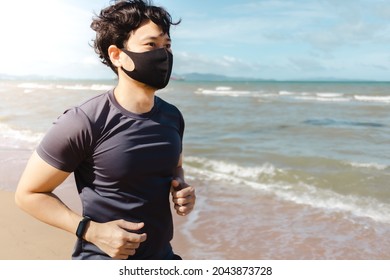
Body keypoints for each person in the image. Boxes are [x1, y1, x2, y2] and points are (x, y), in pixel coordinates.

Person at [15, 0, 195, 260]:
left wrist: (182, 189)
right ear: (116, 54)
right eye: (151, 44)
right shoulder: (84, 120)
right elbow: (28, 194)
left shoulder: (172, 117)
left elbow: (175, 168)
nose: (163, 54)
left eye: (167, 46)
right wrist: (90, 230)